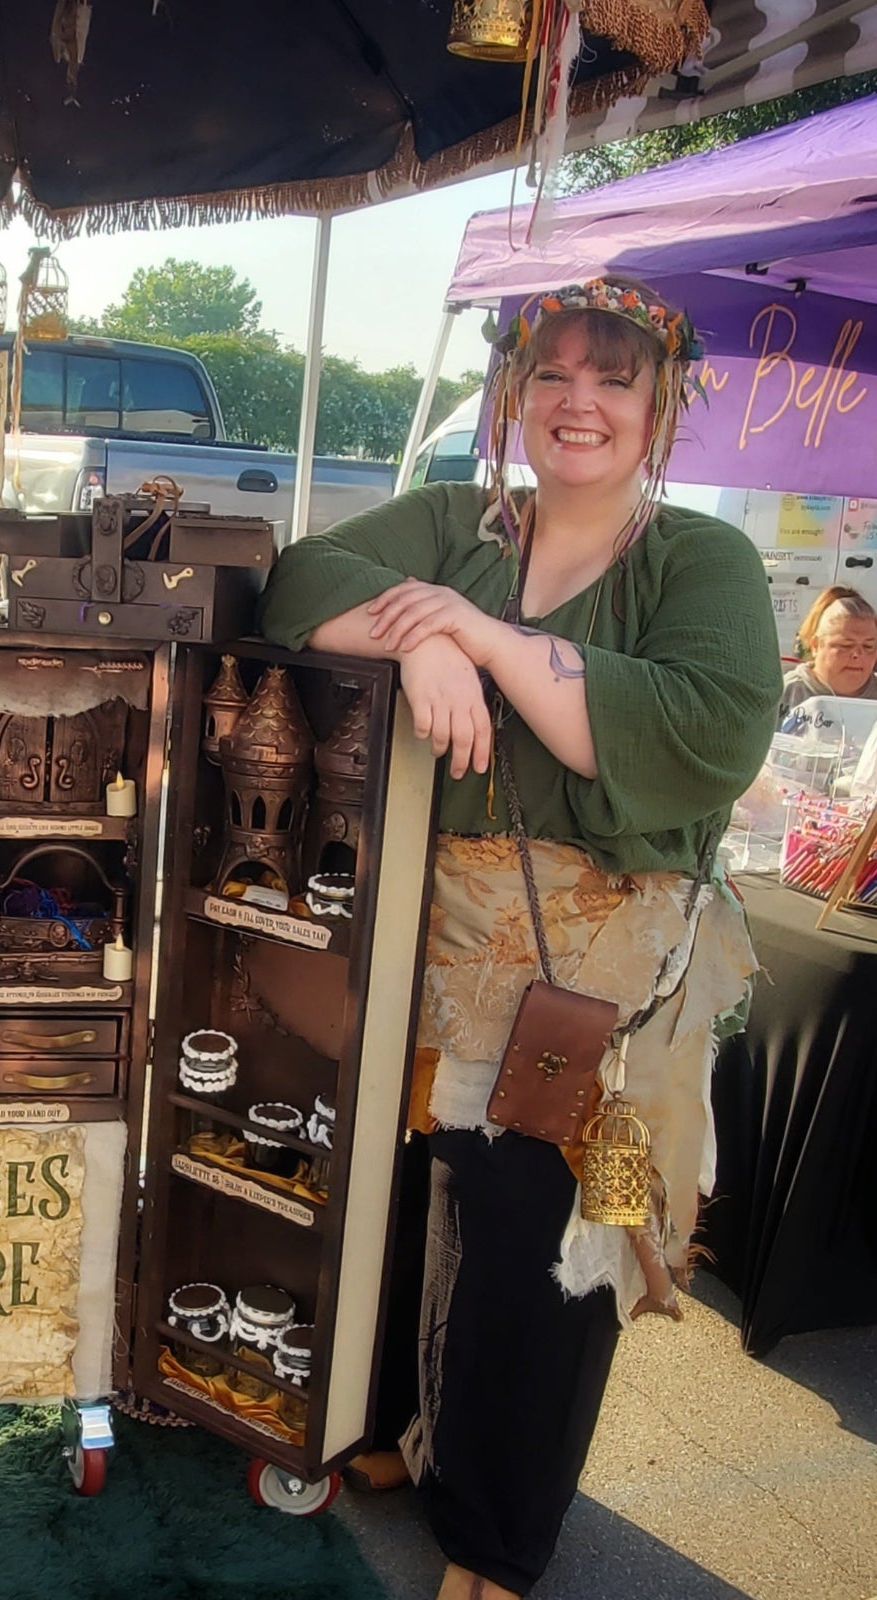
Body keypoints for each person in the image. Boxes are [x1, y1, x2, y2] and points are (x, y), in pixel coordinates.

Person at [259, 276, 780, 1599]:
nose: (579, 402)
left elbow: (707, 727)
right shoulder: (456, 519)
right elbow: (300, 579)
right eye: (552, 375)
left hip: (598, 968)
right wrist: (422, 643)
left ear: (658, 408)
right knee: (402, 1192)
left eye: (614, 378)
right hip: (435, 946)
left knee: (541, 1243)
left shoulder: (695, 559)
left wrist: (473, 634)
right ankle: (392, 1428)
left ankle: (495, 1539)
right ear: (511, 396)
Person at [779, 586, 877, 718]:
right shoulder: (784, 695)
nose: (857, 654)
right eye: (846, 645)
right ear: (815, 645)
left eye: (868, 646)